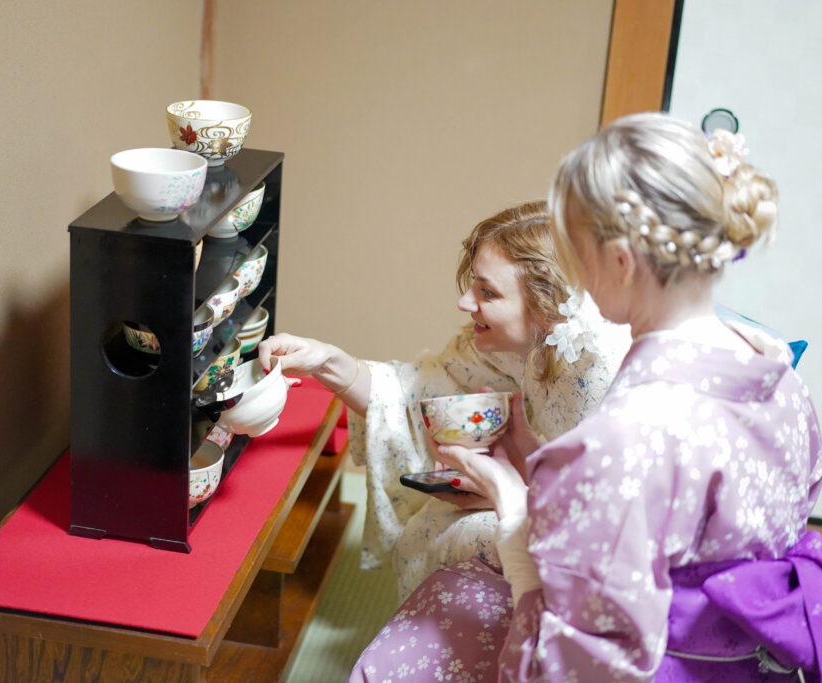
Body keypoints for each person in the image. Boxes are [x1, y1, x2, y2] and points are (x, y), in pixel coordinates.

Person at [349, 114, 822, 681]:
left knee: (408, 648)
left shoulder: (624, 435)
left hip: (663, 662)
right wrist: (537, 458)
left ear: (619, 260)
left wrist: (513, 506)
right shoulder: (777, 373)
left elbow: (572, 661)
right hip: (748, 658)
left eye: (573, 252)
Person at [258, 201, 630, 598]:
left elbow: (611, 523)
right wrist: (326, 361)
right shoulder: (523, 342)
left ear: (546, 304)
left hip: (606, 551)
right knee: (436, 523)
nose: (466, 303)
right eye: (473, 284)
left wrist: (502, 490)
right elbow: (415, 393)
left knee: (458, 533)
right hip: (554, 506)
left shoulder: (606, 374)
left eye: (487, 292)